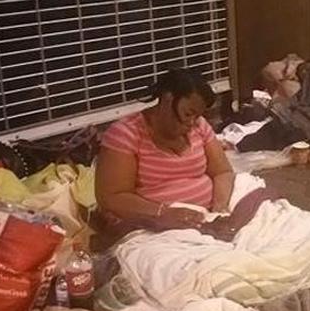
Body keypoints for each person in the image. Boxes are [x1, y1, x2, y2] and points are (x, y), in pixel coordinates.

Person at [96, 68, 235, 231]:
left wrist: (220, 207)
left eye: (196, 116)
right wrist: (163, 213)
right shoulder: (126, 134)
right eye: (187, 113)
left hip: (208, 215)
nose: (191, 123)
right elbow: (112, 197)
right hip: (155, 225)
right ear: (167, 99)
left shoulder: (199, 125)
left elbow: (223, 172)